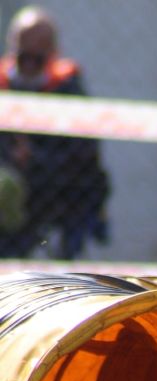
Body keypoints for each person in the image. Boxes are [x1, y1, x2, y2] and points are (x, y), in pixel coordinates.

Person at [0, 6, 110, 258]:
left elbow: (84, 155)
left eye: (37, 58)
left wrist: (35, 159)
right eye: (22, 56)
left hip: (54, 189)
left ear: (52, 54)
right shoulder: (3, 84)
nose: (28, 65)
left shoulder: (68, 88)